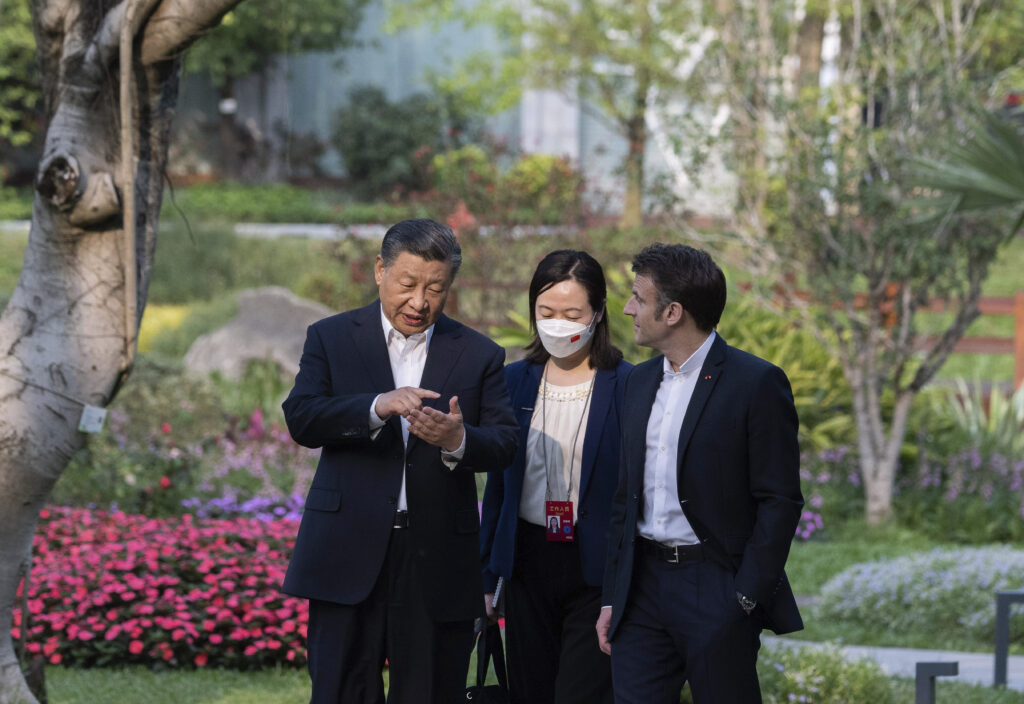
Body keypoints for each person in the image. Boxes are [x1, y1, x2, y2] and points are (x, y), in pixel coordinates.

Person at [281, 219, 519, 704]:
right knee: (340, 692)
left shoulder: (479, 354)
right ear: (380, 270)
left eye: (435, 289)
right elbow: (302, 417)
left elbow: (504, 443)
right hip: (346, 550)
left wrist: (458, 439)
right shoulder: (330, 337)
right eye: (408, 284)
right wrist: (376, 406)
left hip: (437, 559)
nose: (419, 302)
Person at [596, 243, 804, 703]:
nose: (628, 308)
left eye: (639, 298)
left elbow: (780, 500)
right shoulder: (637, 381)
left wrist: (745, 597)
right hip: (641, 589)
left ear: (673, 313)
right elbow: (624, 498)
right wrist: (613, 595)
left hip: (715, 587)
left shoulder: (756, 382)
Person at [480, 250, 631, 704]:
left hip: (595, 568)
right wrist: (487, 577)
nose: (558, 325)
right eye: (546, 313)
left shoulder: (628, 385)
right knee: (530, 690)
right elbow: (498, 488)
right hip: (528, 561)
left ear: (598, 312)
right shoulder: (512, 381)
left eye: (572, 314)